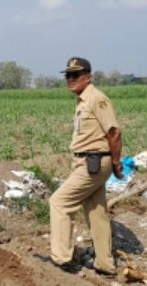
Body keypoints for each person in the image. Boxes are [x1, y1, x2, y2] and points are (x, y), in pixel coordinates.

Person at [48, 57, 123, 274]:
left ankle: (61, 259)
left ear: (87, 77)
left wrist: (116, 162)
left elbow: (114, 132)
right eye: (67, 76)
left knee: (59, 202)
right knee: (96, 211)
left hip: (94, 161)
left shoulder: (96, 99)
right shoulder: (82, 100)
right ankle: (105, 263)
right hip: (89, 161)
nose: (70, 79)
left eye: (75, 75)